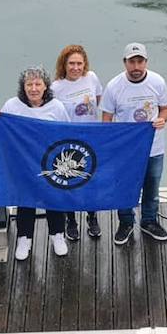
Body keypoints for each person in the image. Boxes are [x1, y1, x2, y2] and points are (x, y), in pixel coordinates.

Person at [101, 42, 167, 245]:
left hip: (153, 147)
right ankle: (125, 222)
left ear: (146, 62)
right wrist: (111, 146)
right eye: (132, 62)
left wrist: (162, 119)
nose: (136, 67)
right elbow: (107, 119)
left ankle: (149, 221)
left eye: (140, 61)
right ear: (125, 63)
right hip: (125, 150)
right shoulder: (114, 86)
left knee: (152, 187)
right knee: (124, 187)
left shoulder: (157, 82)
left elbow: (165, 109)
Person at [0, 66, 71, 260]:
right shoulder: (12, 105)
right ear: (23, 87)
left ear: (46, 86)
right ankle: (25, 238)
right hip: (23, 164)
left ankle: (57, 235)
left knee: (53, 199)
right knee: (25, 201)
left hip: (51, 163)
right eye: (29, 84)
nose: (33, 88)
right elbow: (2, 131)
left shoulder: (56, 106)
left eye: (38, 84)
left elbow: (66, 133)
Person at [51, 45, 105, 240]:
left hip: (90, 136)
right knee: (70, 180)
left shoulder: (92, 78)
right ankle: (71, 219)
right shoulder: (56, 87)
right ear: (64, 65)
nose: (75, 67)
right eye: (71, 63)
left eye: (79, 63)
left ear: (85, 64)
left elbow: (98, 99)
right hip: (68, 140)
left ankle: (92, 216)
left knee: (91, 178)